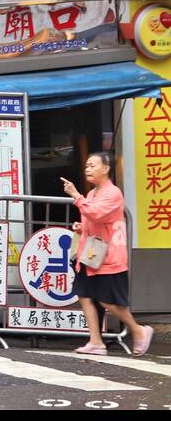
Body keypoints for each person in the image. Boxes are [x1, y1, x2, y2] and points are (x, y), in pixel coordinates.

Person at [64, 152, 154, 355]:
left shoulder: (113, 193)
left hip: (109, 256)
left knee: (107, 300)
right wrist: (81, 227)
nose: (87, 169)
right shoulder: (93, 193)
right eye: (86, 165)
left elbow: (96, 213)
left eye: (92, 165)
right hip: (91, 254)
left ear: (106, 169)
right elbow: (93, 219)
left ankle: (138, 330)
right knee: (85, 295)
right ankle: (96, 341)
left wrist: (76, 196)